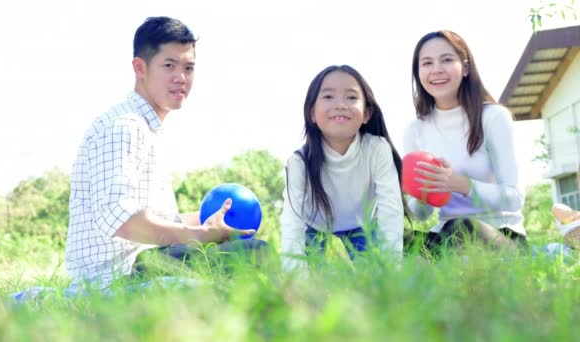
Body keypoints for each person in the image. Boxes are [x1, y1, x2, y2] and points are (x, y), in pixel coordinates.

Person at [66, 17, 264, 288]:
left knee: (248, 248)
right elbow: (123, 221)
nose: (180, 78)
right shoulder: (123, 126)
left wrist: (212, 221)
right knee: (256, 255)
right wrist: (202, 236)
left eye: (189, 67)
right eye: (169, 66)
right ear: (140, 68)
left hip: (146, 261)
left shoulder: (147, 128)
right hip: (116, 277)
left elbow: (156, 221)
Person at [403, 30, 526, 254]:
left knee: (461, 226)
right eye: (427, 63)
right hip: (444, 237)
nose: (437, 69)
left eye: (447, 60)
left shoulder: (493, 117)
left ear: (466, 68)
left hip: (500, 234)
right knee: (391, 238)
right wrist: (422, 193)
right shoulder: (415, 129)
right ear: (418, 73)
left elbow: (514, 199)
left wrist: (460, 184)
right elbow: (421, 215)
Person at [280, 65, 405, 272]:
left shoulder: (377, 149)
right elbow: (292, 223)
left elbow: (390, 212)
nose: (340, 105)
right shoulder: (299, 162)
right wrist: (296, 281)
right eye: (328, 97)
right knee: (311, 276)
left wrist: (393, 272)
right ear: (312, 113)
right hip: (315, 227)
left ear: (366, 113)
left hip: (362, 225)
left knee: (376, 274)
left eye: (351, 97)